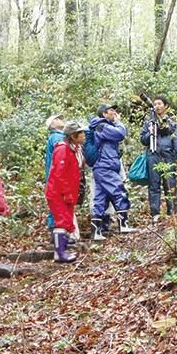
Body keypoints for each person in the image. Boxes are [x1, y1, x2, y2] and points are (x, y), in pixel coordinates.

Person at [88, 104, 138, 240]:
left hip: (102, 167)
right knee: (119, 191)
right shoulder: (102, 126)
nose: (114, 113)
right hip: (106, 167)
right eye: (111, 111)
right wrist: (119, 122)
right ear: (104, 114)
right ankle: (124, 225)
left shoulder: (102, 126)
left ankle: (96, 232)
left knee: (100, 199)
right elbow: (120, 134)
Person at [46, 122, 87, 263]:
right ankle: (59, 253)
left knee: (67, 221)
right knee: (62, 221)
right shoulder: (63, 150)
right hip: (58, 194)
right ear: (73, 135)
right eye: (81, 133)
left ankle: (62, 251)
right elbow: (59, 173)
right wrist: (66, 192)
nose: (84, 135)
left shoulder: (75, 149)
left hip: (68, 193)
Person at [140, 95, 177, 219]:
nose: (157, 106)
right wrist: (150, 132)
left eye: (159, 104)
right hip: (153, 155)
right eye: (155, 104)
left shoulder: (171, 124)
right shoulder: (148, 123)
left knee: (170, 183)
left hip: (168, 156)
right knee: (154, 185)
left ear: (166, 106)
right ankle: (156, 214)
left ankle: (172, 212)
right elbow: (143, 140)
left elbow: (176, 140)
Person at [45, 113, 65, 231]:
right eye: (57, 119)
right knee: (57, 204)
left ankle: (58, 232)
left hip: (54, 177)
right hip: (56, 178)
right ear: (52, 124)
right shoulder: (57, 137)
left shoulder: (58, 136)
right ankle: (56, 232)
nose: (61, 120)